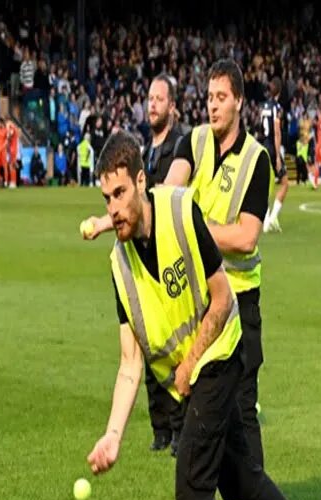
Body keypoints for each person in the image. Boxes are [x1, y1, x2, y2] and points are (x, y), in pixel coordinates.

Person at [86, 130, 321, 500]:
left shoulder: (179, 212)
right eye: (106, 199)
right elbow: (130, 363)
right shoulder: (118, 264)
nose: (114, 210)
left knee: (192, 482)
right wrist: (112, 434)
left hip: (219, 351)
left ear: (141, 184)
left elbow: (221, 299)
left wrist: (193, 361)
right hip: (186, 376)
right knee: (239, 479)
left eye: (120, 194)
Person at [84, 59, 279, 500]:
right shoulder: (192, 143)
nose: (212, 105)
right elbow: (161, 196)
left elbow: (246, 237)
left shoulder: (257, 159)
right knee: (215, 431)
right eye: (208, 97)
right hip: (196, 305)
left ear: (238, 101)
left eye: (221, 97)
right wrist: (115, 221)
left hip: (237, 302)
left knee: (242, 414)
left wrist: (191, 225)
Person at [140, 73, 189, 455]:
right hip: (144, 261)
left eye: (159, 99)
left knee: (174, 346)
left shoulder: (182, 145)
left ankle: (179, 427)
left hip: (172, 259)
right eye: (149, 98)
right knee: (148, 345)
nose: (152, 104)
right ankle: (160, 428)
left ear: (172, 105)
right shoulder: (146, 151)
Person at [260, 79, 290, 231]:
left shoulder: (264, 106)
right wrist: (278, 156)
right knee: (285, 183)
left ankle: (266, 222)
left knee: (265, 186)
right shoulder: (277, 108)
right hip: (272, 147)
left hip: (263, 145)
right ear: (279, 91)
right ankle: (272, 218)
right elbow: (277, 132)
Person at [6, 119, 20, 188]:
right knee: (12, 165)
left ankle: (13, 182)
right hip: (13, 148)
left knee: (12, 166)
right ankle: (13, 181)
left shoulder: (12, 127)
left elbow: (9, 136)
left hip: (13, 149)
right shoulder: (13, 127)